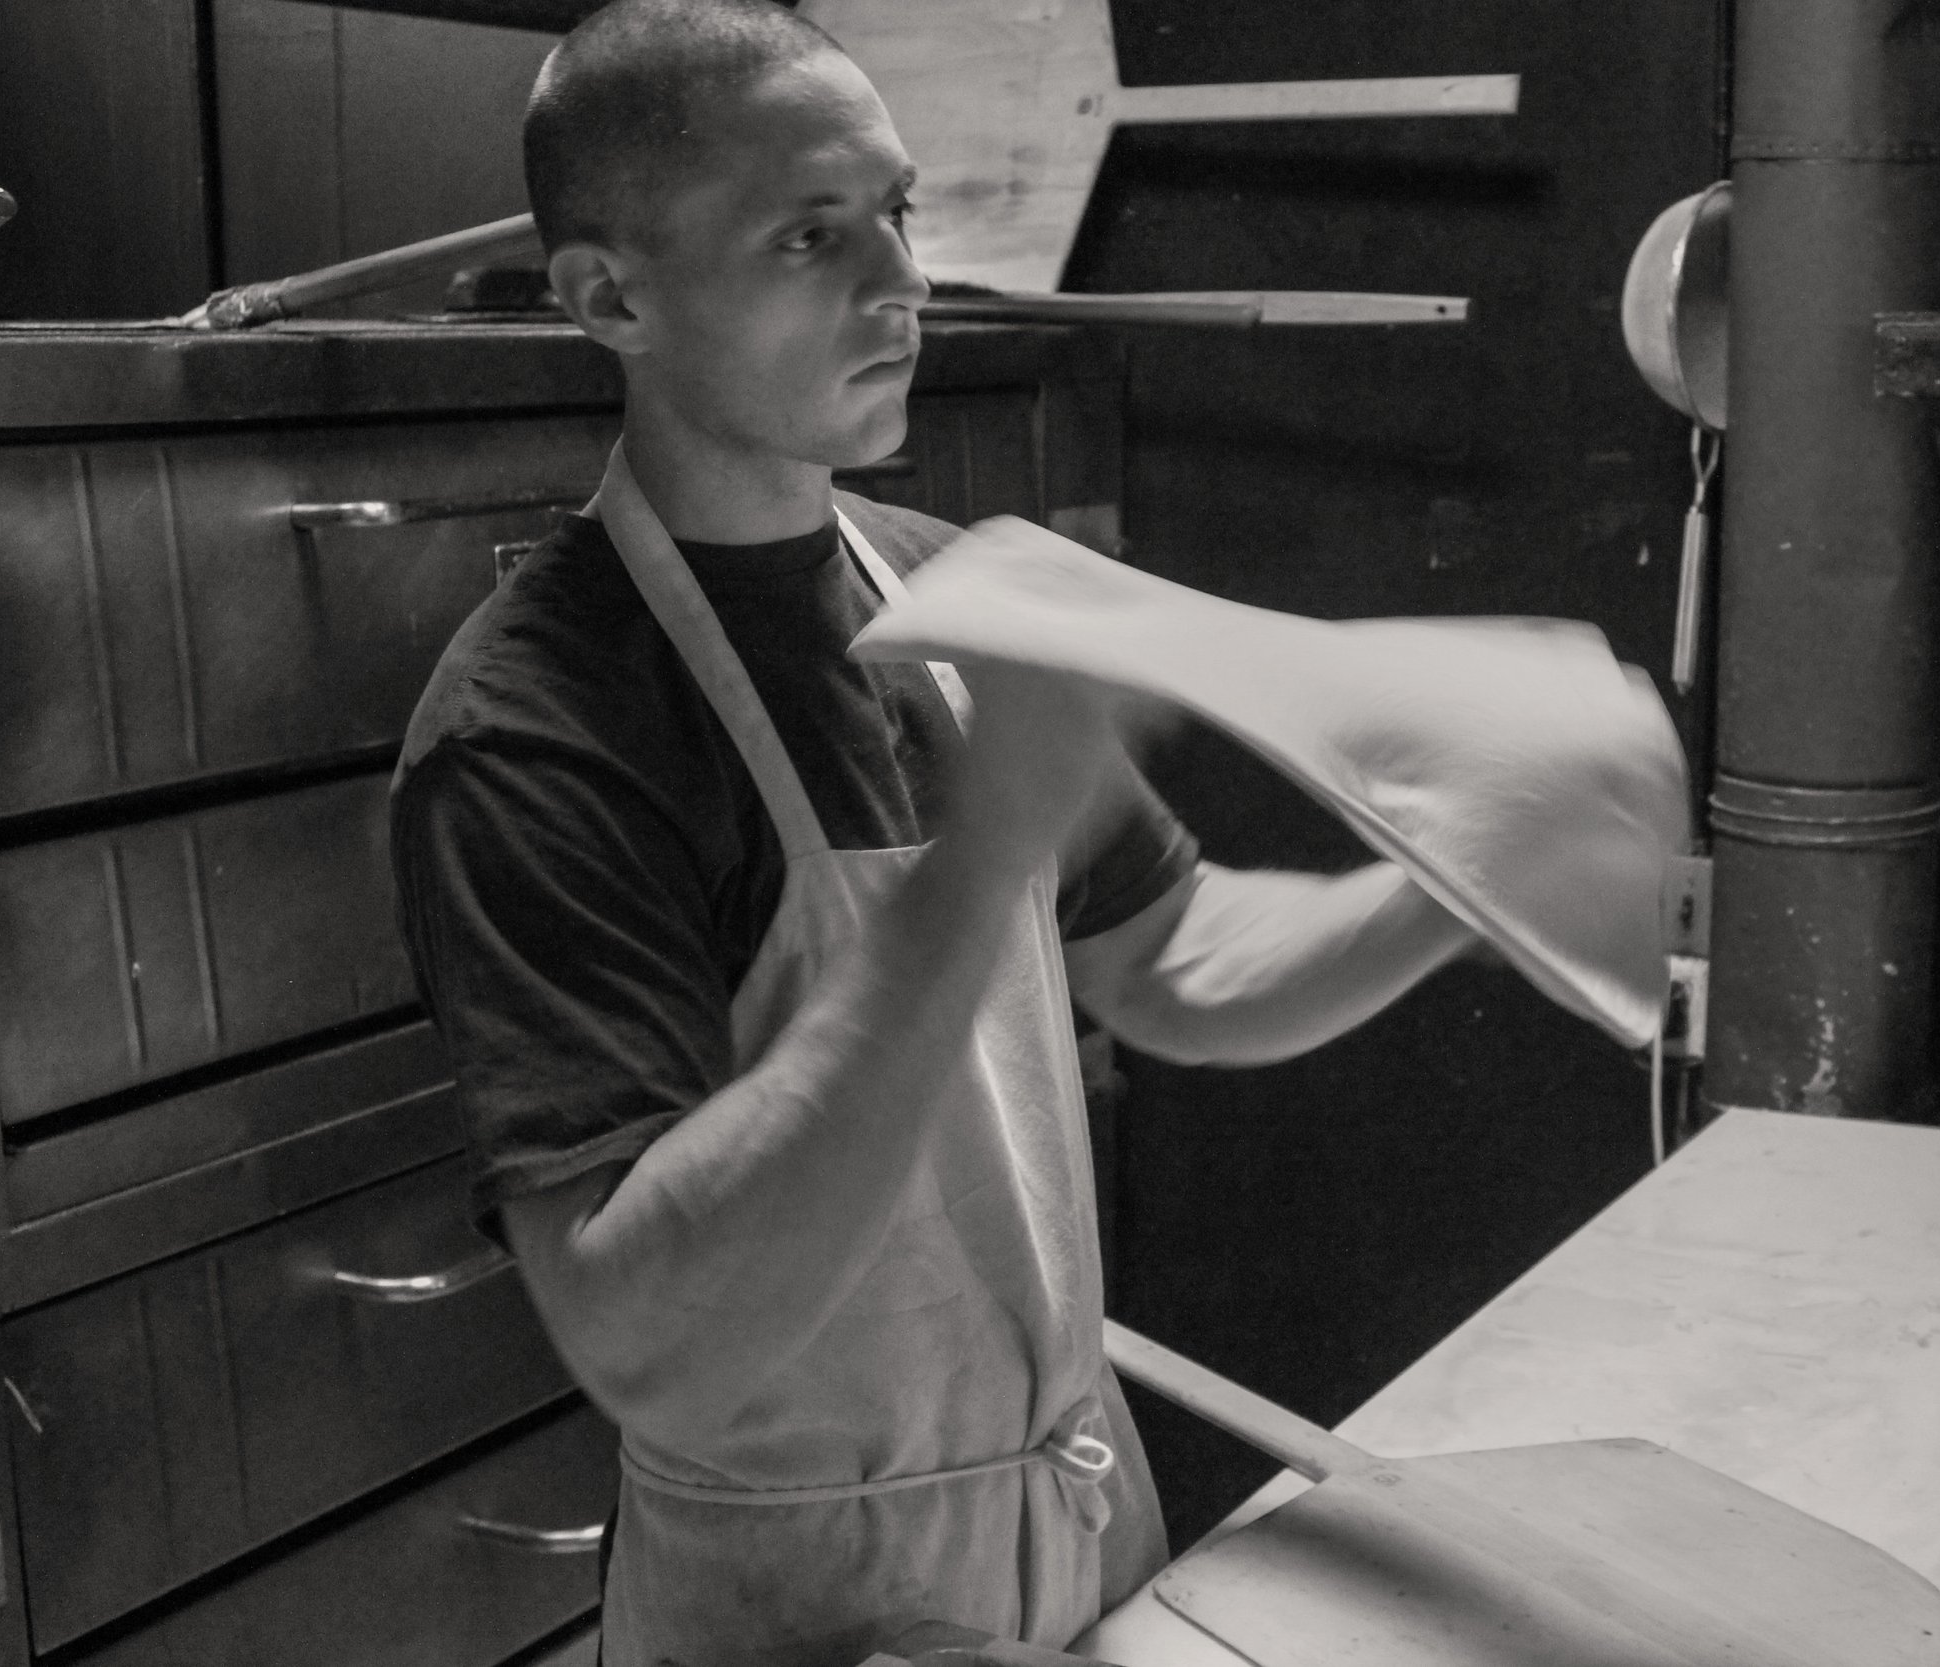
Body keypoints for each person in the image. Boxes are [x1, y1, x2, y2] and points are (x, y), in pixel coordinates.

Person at [388, 3, 1481, 1661]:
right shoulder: (536, 733)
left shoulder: (951, 598)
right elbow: (650, 1338)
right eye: (810, 235)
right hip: (799, 1608)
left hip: (1078, 1525)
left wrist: (1467, 876)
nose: (902, 281)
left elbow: (1179, 965)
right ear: (612, 299)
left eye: (896, 211)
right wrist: (979, 867)